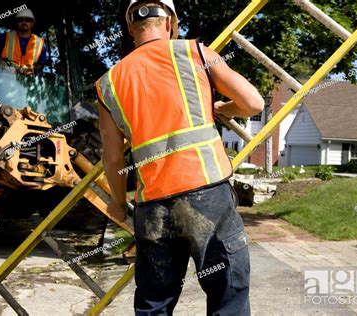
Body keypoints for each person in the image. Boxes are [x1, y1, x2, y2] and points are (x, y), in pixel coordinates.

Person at [95, 0, 264, 315]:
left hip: (153, 204)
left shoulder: (108, 83)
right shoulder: (194, 53)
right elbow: (253, 102)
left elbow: (114, 158)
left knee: (155, 300)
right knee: (228, 293)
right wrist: (222, 109)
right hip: (207, 192)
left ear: (131, 27)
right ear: (170, 21)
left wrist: (118, 202)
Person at [0, 8, 47, 75]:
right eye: (20, 20)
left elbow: (40, 66)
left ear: (33, 23)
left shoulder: (40, 43)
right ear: (17, 23)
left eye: (28, 20)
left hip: (27, 83)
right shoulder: (6, 37)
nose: (24, 22)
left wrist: (31, 71)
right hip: (4, 79)